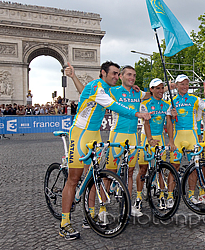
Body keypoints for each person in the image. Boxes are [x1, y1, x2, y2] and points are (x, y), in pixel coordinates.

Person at [59, 61, 151, 240]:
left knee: (94, 175)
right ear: (103, 73)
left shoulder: (107, 88)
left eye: (118, 74)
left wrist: (73, 77)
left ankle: (91, 213)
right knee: (73, 178)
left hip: (95, 135)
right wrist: (137, 114)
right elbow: (115, 106)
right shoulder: (99, 88)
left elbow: (82, 91)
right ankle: (64, 223)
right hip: (80, 134)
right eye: (114, 74)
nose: (117, 77)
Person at [105, 65, 149, 217]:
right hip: (117, 135)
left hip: (133, 136)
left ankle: (128, 205)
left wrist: (170, 86)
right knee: (111, 172)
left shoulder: (138, 92)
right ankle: (103, 208)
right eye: (129, 74)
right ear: (121, 76)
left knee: (130, 172)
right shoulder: (113, 91)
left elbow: (151, 94)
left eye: (134, 75)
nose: (132, 77)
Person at [138, 78, 177, 210]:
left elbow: (169, 124)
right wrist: (149, 139)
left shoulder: (166, 104)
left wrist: (170, 140)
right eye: (157, 88)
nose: (160, 90)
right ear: (151, 90)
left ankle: (161, 196)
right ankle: (138, 196)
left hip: (159, 137)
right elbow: (146, 123)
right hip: (146, 138)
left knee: (160, 168)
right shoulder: (145, 103)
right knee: (142, 169)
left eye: (162, 88)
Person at [172, 74, 205, 204]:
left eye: (186, 83)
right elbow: (168, 122)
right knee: (174, 166)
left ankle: (192, 195)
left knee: (194, 167)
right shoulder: (171, 100)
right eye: (181, 84)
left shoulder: (195, 99)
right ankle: (170, 196)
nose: (184, 86)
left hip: (192, 136)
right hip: (178, 137)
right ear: (176, 86)